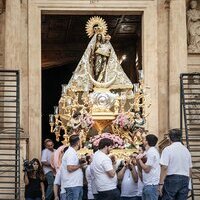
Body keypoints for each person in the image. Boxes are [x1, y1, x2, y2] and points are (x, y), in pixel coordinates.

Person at [159, 129, 192, 200]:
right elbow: (190, 169)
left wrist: (161, 183)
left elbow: (164, 167)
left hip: (172, 179)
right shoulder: (186, 151)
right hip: (185, 178)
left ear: (169, 138)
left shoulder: (168, 149)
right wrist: (187, 181)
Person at [60, 135, 86, 200]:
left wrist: (79, 161)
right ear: (78, 142)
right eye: (80, 141)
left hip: (75, 184)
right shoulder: (70, 152)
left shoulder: (72, 152)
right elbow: (70, 168)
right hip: (72, 185)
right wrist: (80, 165)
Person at [136, 134, 160, 200]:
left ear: (147, 141)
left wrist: (139, 160)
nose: (142, 141)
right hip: (148, 184)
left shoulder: (151, 152)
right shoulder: (149, 151)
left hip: (151, 185)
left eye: (144, 139)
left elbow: (147, 169)